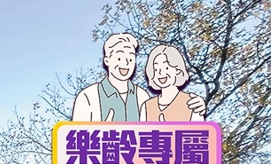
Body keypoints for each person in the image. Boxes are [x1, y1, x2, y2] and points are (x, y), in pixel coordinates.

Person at [72, 33, 204, 122]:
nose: (125, 63)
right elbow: (76, 146)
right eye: (119, 58)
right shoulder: (88, 97)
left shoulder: (142, 97)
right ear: (107, 60)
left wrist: (198, 106)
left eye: (130, 58)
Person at [140, 45, 203, 122]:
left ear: (177, 70)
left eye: (166, 68)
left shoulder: (192, 103)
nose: (160, 73)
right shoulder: (147, 107)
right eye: (156, 69)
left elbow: (199, 128)